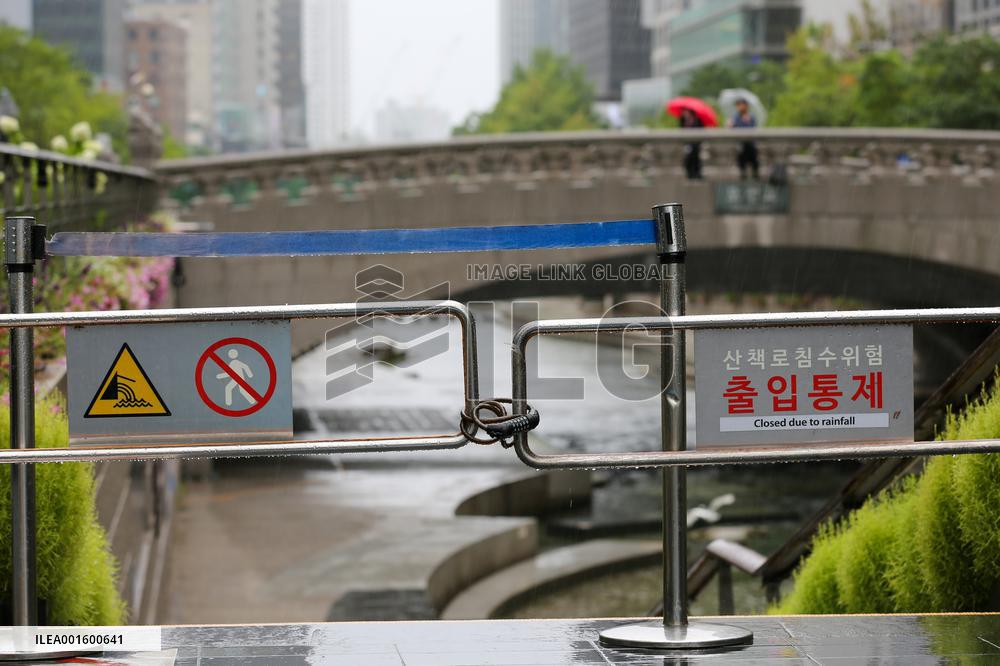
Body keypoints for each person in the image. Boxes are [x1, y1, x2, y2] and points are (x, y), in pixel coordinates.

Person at [729, 98, 759, 180]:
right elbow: (734, 130)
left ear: (746, 106)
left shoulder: (751, 117)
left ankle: (755, 176)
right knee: (742, 164)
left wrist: (747, 121)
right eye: (738, 105)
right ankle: (743, 176)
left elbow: (753, 129)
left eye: (742, 105)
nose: (740, 107)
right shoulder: (735, 118)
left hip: (750, 143)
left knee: (754, 163)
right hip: (741, 144)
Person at [680, 108, 704, 180]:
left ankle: (697, 174)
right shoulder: (682, 120)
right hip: (687, 144)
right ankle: (689, 174)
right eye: (683, 112)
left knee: (696, 159)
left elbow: (701, 130)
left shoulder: (697, 120)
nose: (684, 113)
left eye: (686, 112)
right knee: (688, 159)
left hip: (696, 144)